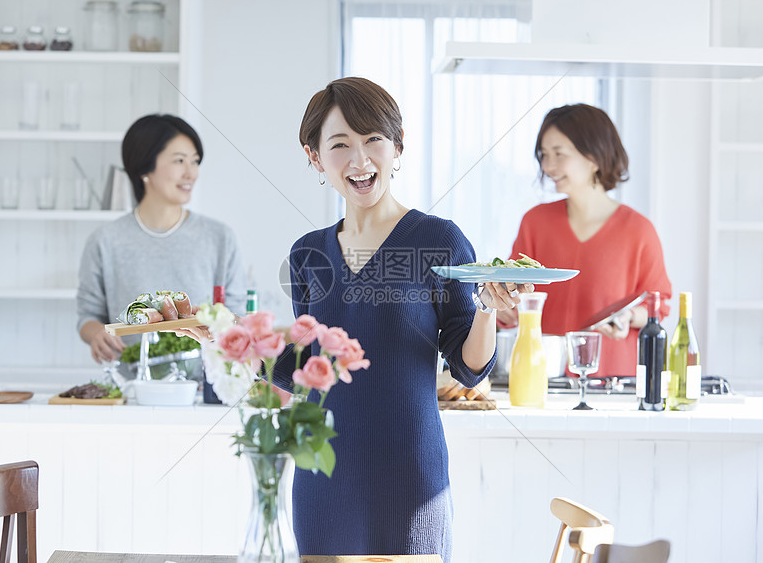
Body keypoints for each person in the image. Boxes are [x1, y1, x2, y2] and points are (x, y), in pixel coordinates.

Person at [272, 77, 530, 562]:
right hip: (323, 475)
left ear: (398, 147)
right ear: (314, 157)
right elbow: (304, 371)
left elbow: (468, 368)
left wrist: (488, 310)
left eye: (373, 140)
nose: (360, 159)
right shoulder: (308, 254)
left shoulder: (439, 240)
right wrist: (224, 339)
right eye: (340, 145)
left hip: (408, 474)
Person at [499, 103, 672, 377]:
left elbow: (657, 304)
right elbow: (511, 290)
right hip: (542, 378)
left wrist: (627, 317)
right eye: (544, 154)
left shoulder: (638, 231)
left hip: (611, 382)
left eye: (559, 153)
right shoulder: (535, 222)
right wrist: (504, 307)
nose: (548, 165)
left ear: (594, 157)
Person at [76, 114, 247, 363]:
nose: (191, 173)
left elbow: (237, 314)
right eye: (179, 160)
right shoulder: (105, 240)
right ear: (145, 167)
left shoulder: (220, 237)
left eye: (195, 161)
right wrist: (97, 334)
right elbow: (87, 316)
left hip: (206, 387)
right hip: (132, 388)